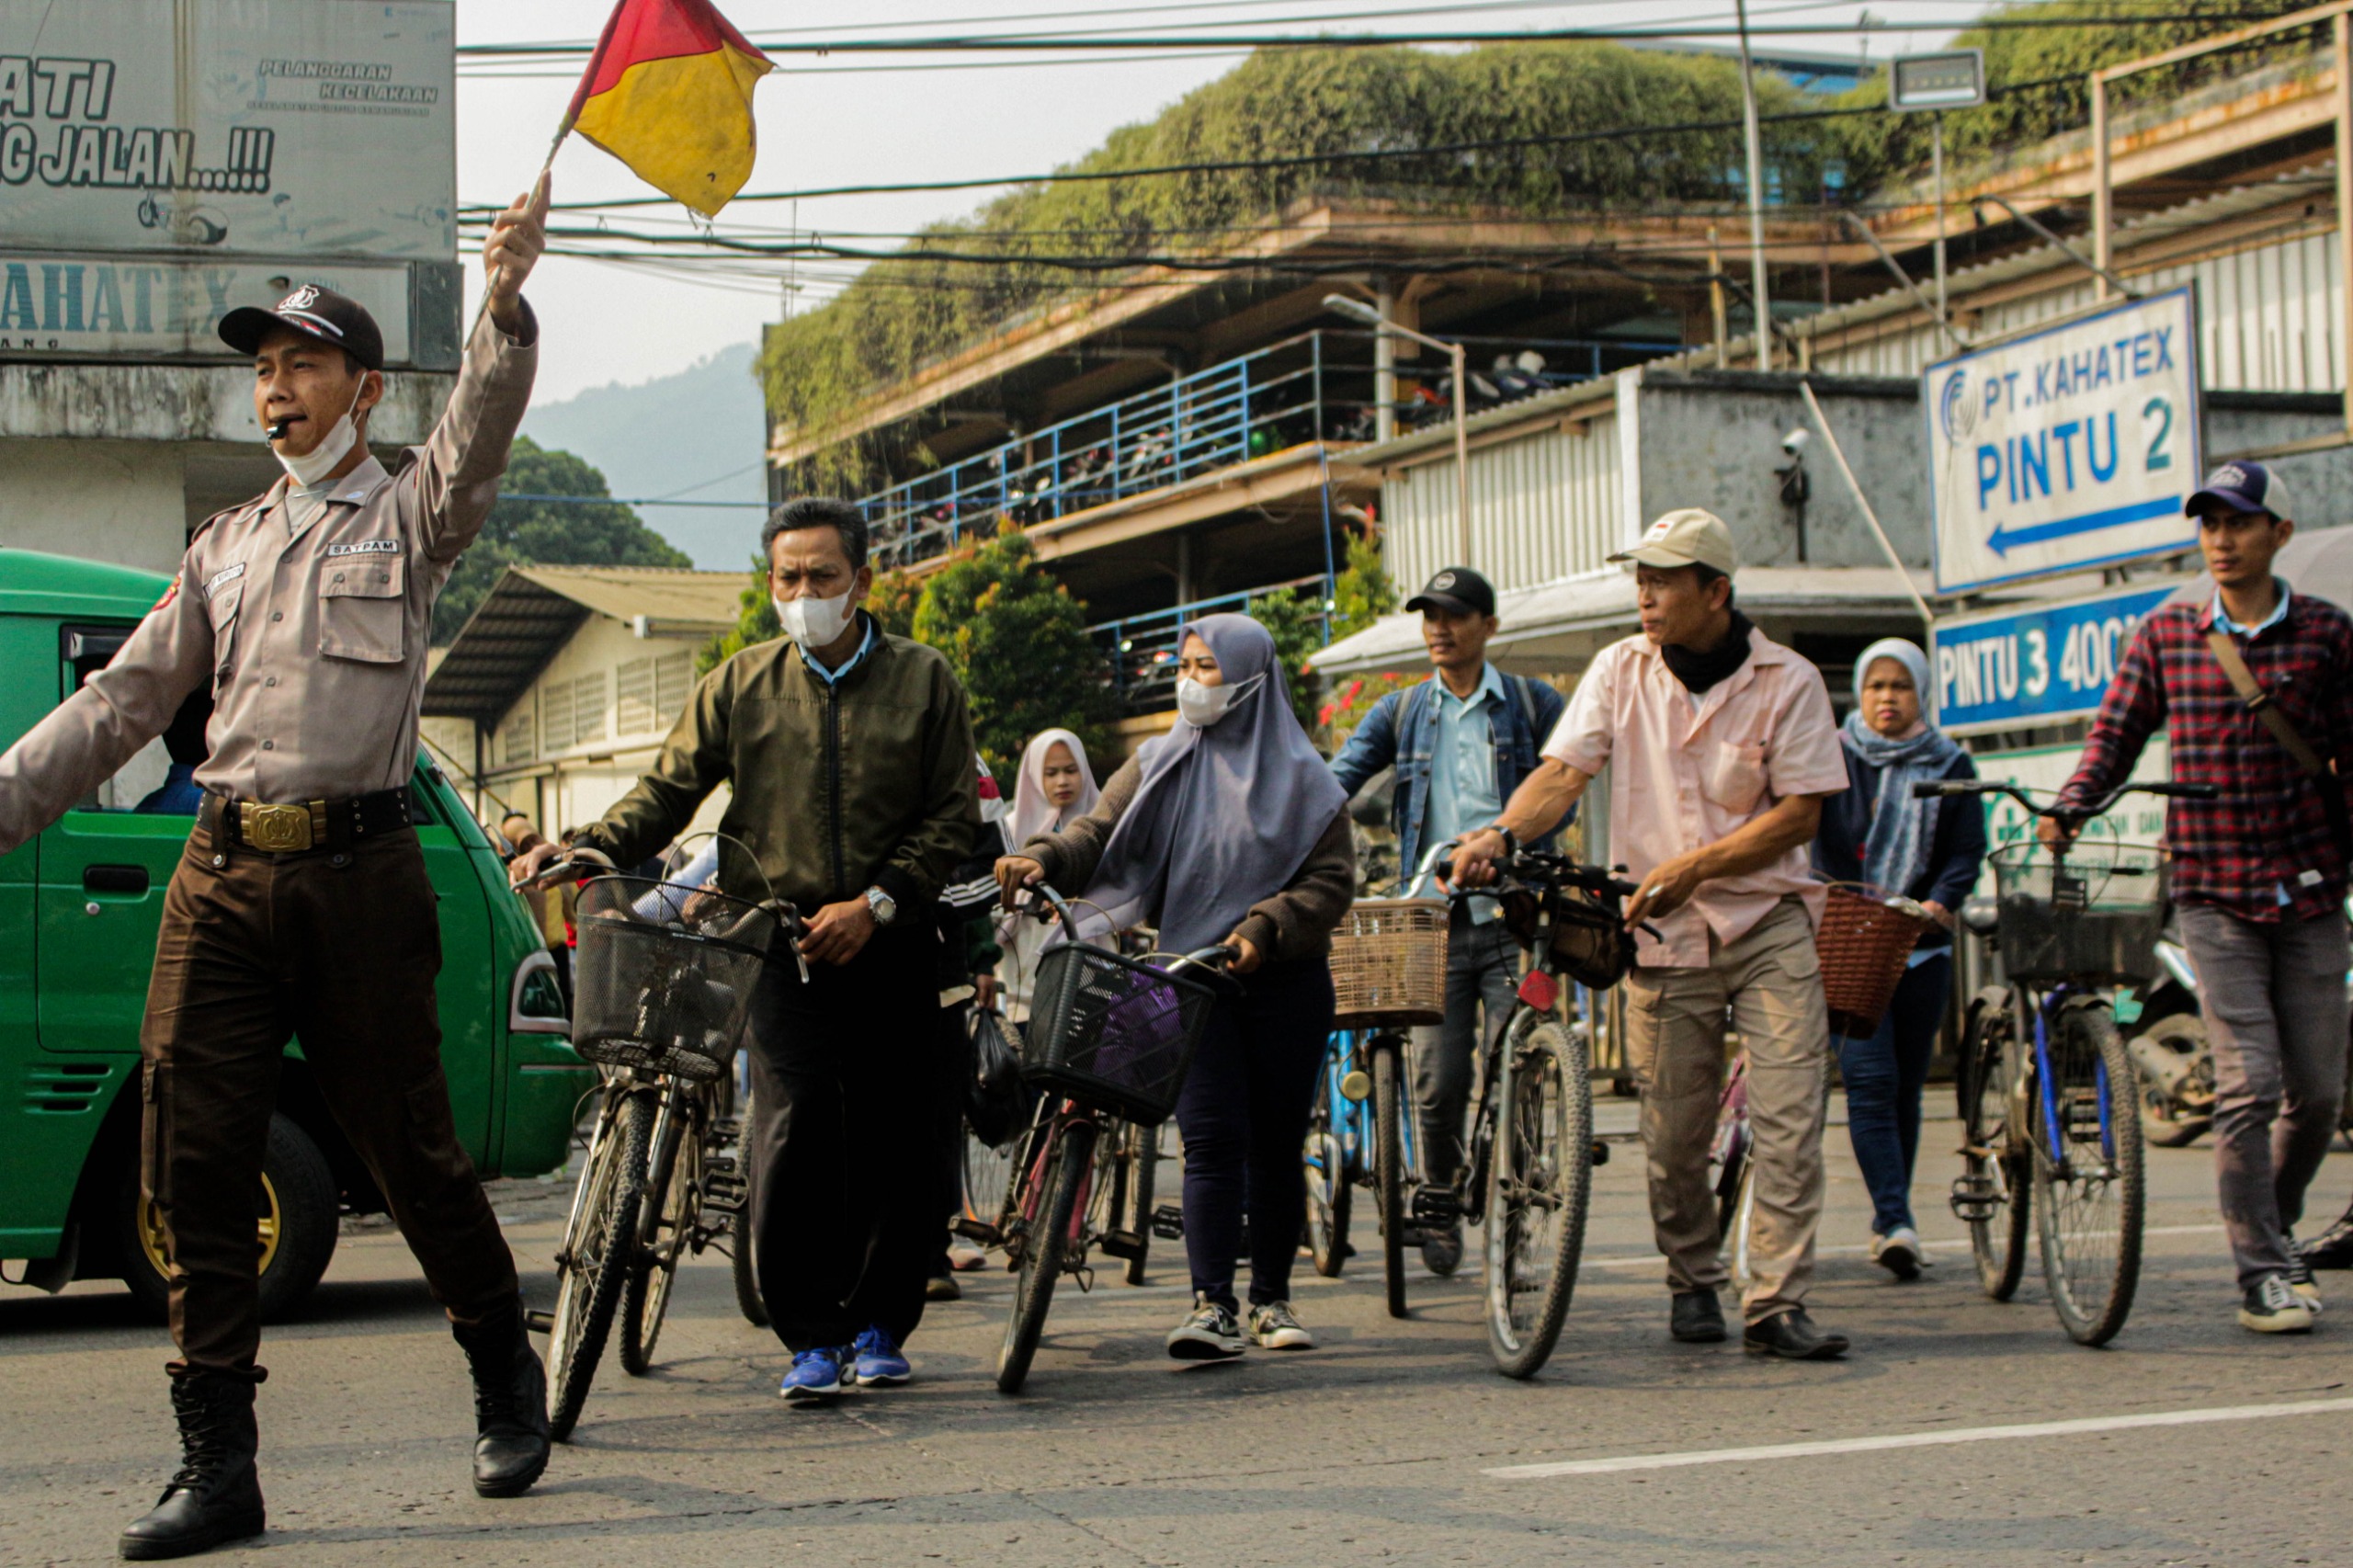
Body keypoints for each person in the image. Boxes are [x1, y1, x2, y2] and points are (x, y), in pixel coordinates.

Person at [0, 182, 556, 1557]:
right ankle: (219, 1464)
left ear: (362, 389)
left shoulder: (411, 515)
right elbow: (120, 705)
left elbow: (477, 437)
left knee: (409, 1150)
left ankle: (502, 1365)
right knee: (187, 1151)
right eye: (261, 368)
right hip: (223, 875)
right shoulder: (225, 548)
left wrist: (501, 305)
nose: (276, 388)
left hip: (363, 874)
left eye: (302, 364)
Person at [512, 496, 981, 1396]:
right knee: (793, 1126)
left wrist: (877, 903)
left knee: (897, 1133)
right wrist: (592, 845)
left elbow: (951, 814)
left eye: (823, 576)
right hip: (779, 942)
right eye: (788, 577)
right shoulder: (740, 684)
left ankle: (882, 1318)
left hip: (893, 937)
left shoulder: (925, 680)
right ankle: (809, 1333)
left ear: (863, 580)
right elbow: (667, 788)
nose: (804, 592)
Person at [1454, 509, 1853, 1361]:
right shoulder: (1618, 670)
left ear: (1716, 591)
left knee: (1790, 1117)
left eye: (1664, 579)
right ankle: (1694, 1277)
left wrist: (1701, 866)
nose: (1646, 594)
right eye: (1640, 577)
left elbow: (1801, 813)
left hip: (1768, 922)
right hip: (1658, 933)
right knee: (1674, 1134)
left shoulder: (1789, 678)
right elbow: (1564, 773)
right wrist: (1502, 835)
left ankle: (1777, 1300)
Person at [2049, 461, 2353, 1334]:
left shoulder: (2329, 636)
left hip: (2312, 888)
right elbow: (2116, 732)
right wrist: (2074, 804)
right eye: (2209, 524)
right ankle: (2258, 1269)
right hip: (2213, 890)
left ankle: (2275, 1227)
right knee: (2249, 1082)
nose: (2221, 539)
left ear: (2279, 536)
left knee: (2320, 1095)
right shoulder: (2169, 633)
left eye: (2239, 523)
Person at [996, 615, 1353, 1358]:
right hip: (1194, 980)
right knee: (1213, 1140)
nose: (1190, 680)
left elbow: (1331, 882)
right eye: (1184, 665)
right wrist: (1044, 858)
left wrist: (1265, 927)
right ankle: (1212, 1304)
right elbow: (1095, 833)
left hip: (1285, 982)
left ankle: (1272, 1300)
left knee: (1277, 1145)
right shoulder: (1159, 761)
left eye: (1207, 667)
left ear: (1252, 677)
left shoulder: (1309, 781)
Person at [1328, 565, 1567, 1274]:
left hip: (1517, 917)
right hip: (1430, 923)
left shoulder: (1532, 704)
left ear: (1488, 627)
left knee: (1522, 1068)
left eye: (1456, 615)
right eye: (1430, 615)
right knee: (1437, 1081)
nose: (1440, 627)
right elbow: (1333, 782)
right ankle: (1437, 1193)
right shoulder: (1399, 713)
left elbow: (1564, 789)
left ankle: (1521, 1215)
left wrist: (1509, 842)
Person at [1811, 639, 1985, 1280]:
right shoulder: (1831, 756)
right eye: (1877, 686)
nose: (1888, 698)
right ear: (1860, 693)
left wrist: (1941, 902)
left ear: (1921, 694)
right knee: (1871, 1080)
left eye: (1901, 687)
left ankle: (1893, 1216)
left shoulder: (1950, 761)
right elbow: (1810, 840)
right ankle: (1895, 1220)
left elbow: (1967, 850)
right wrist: (1838, 900)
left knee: (1907, 1087)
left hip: (1921, 947)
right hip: (1851, 944)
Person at [930, 754, 1011, 1300]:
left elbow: (978, 875)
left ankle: (929, 1247)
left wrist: (983, 959)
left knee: (934, 1112)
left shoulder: (964, 761)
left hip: (940, 968)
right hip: (853, 958)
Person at [997, 727, 1103, 1018]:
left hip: (1092, 953)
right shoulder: (1010, 828)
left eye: (1071, 770)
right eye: (1051, 772)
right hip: (1025, 963)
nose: (1062, 781)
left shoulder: (1101, 823)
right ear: (1033, 776)